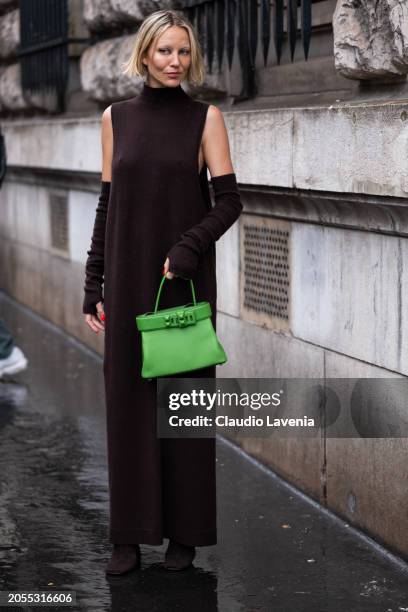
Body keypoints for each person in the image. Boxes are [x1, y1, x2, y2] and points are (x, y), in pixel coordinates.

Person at [82, 9, 242, 575]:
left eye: (183, 53)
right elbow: (108, 204)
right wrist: (92, 282)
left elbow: (229, 201)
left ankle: (186, 533)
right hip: (127, 284)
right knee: (127, 404)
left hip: (182, 284)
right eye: (165, 52)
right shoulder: (114, 119)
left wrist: (189, 246)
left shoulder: (206, 119)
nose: (176, 63)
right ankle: (127, 535)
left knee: (183, 404)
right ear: (145, 54)